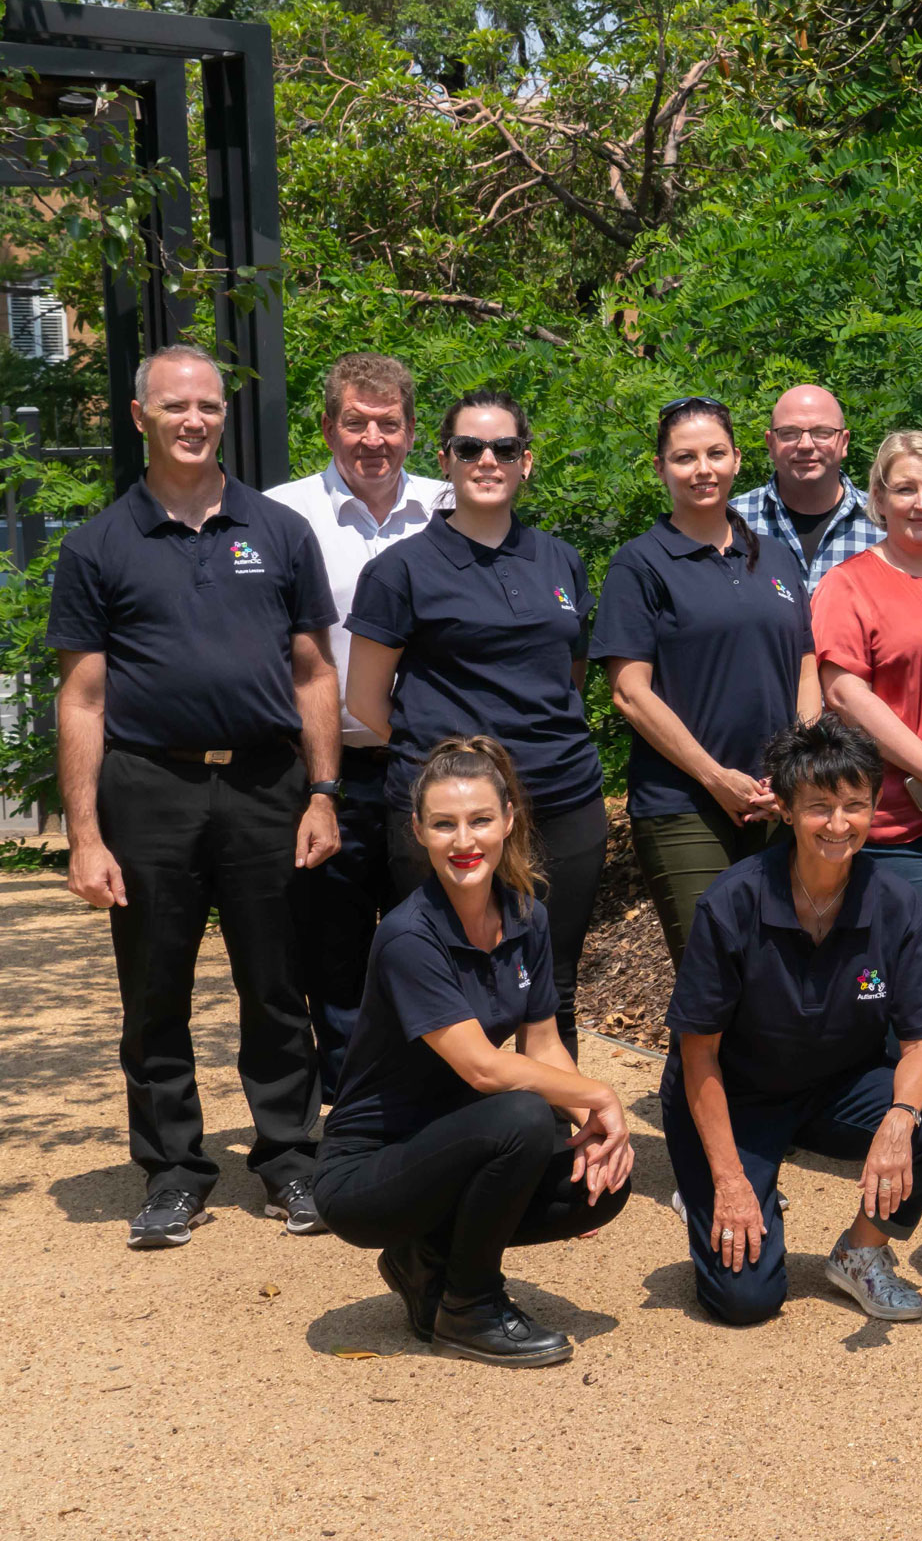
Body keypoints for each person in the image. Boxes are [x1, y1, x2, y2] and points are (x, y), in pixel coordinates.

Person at [49, 342, 343, 1248]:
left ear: (224, 416)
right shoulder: (99, 545)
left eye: (208, 406)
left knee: (275, 982)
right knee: (153, 988)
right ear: (139, 416)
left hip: (265, 782)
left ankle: (290, 1158)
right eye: (174, 406)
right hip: (150, 786)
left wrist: (323, 792)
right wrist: (87, 834)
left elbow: (312, 675)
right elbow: (83, 696)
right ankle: (173, 1170)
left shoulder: (279, 530)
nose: (193, 420)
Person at [314, 737, 634, 1365]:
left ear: (509, 820)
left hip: (456, 1143)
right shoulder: (409, 935)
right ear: (419, 831)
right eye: (444, 824)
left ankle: (426, 1259)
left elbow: (542, 1044)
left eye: (480, 820)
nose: (465, 841)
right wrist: (601, 1095)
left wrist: (591, 1124)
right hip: (367, 1174)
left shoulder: (526, 915)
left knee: (602, 1180)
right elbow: (483, 1067)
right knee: (519, 1114)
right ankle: (470, 1307)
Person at [663, 717, 922, 1326]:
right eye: (819, 807)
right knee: (745, 1300)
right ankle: (735, 1190)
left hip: (837, 1087)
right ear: (784, 808)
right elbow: (697, 1055)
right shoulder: (732, 902)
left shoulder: (897, 902)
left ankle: (861, 1253)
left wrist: (897, 1119)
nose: (839, 825)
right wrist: (729, 1181)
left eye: (854, 805)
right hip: (735, 1097)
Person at [347, 392, 605, 1053]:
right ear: (445, 460)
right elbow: (369, 702)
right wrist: (452, 772)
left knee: (554, 982)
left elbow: (567, 677)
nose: (487, 461)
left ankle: (557, 1142)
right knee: (457, 985)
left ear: (527, 462)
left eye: (504, 449)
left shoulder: (559, 560)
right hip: (453, 815)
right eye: (469, 448)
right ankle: (468, 1148)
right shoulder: (401, 569)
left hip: (563, 799)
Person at [266, 351, 450, 1099]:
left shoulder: (450, 505)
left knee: (430, 943)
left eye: (389, 423)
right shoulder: (280, 514)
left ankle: (427, 1100)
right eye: (356, 422)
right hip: (323, 772)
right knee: (332, 954)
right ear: (327, 427)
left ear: (411, 431)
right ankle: (350, 1110)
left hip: (431, 772)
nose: (372, 438)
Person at [594, 398, 821, 963]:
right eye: (684, 457)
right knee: (712, 972)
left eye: (715, 453)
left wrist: (796, 771)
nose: (703, 469)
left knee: (783, 967)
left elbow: (806, 663)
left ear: (738, 459)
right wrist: (717, 777)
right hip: (685, 805)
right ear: (660, 468)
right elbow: (629, 692)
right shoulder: (639, 564)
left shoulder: (774, 556)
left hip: (779, 800)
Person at [815, 430, 922, 950]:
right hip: (903, 823)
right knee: (921, 985)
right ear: (880, 499)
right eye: (905, 489)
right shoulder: (848, 584)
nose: (921, 503)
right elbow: (845, 695)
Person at [730, 383, 885, 591]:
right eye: (789, 433)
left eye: (822, 432)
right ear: (770, 444)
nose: (805, 445)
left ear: (844, 442)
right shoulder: (732, 522)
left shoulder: (884, 523)